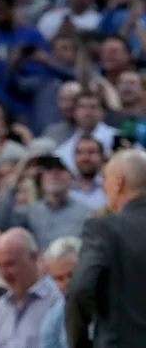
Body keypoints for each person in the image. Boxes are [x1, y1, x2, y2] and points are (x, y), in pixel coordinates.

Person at [65, 149, 146, 348]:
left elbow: (80, 289)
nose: (102, 185)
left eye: (105, 178)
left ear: (119, 182)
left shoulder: (103, 227)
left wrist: (80, 342)